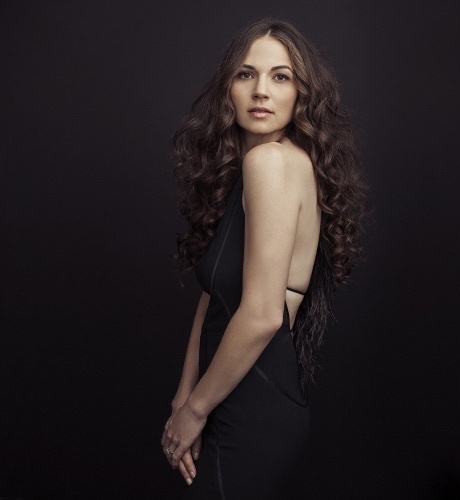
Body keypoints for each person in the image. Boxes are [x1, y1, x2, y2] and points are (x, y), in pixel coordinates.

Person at [161, 18, 366, 500]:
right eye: (245, 74)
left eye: (281, 77)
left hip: (251, 401)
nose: (260, 91)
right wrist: (184, 395)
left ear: (302, 95)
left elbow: (261, 315)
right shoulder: (256, 169)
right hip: (224, 391)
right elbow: (214, 298)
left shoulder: (270, 163)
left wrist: (195, 411)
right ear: (227, 89)